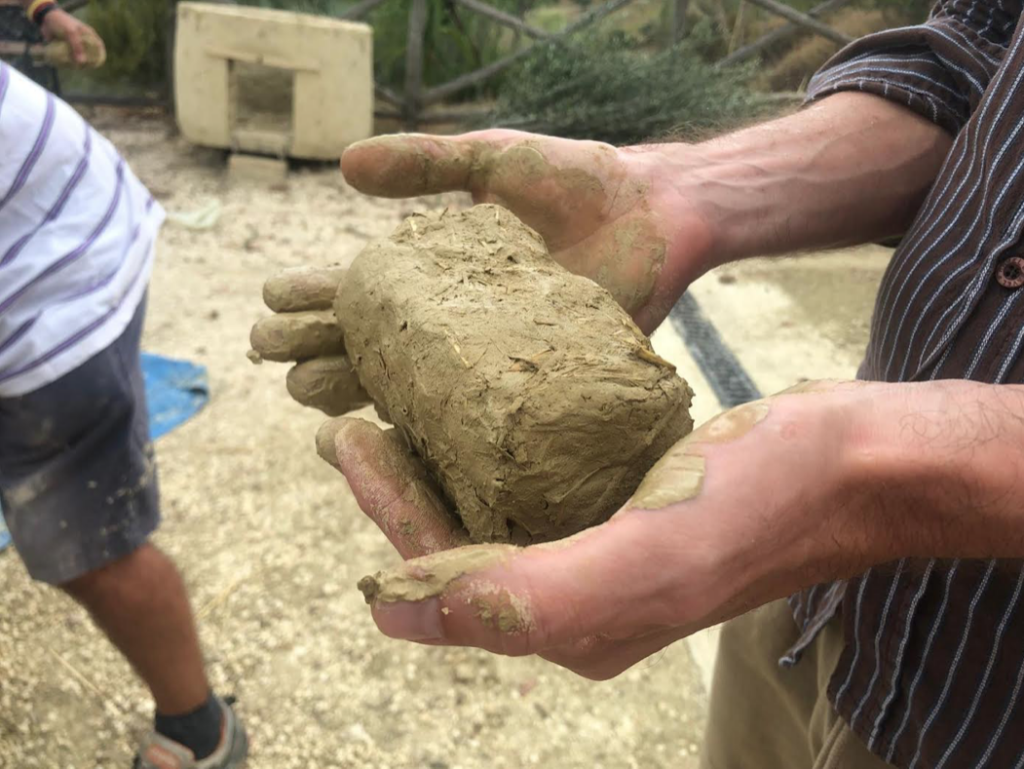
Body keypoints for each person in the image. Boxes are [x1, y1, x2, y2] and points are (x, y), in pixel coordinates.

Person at [253, 1, 1024, 767]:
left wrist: (874, 474)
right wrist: (692, 187)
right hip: (817, 593)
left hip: (983, 709)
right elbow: (972, 57)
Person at [0, 4, 247, 768]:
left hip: (51, 286)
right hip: (72, 212)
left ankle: (200, 730)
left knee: (91, 548)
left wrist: (33, 11)